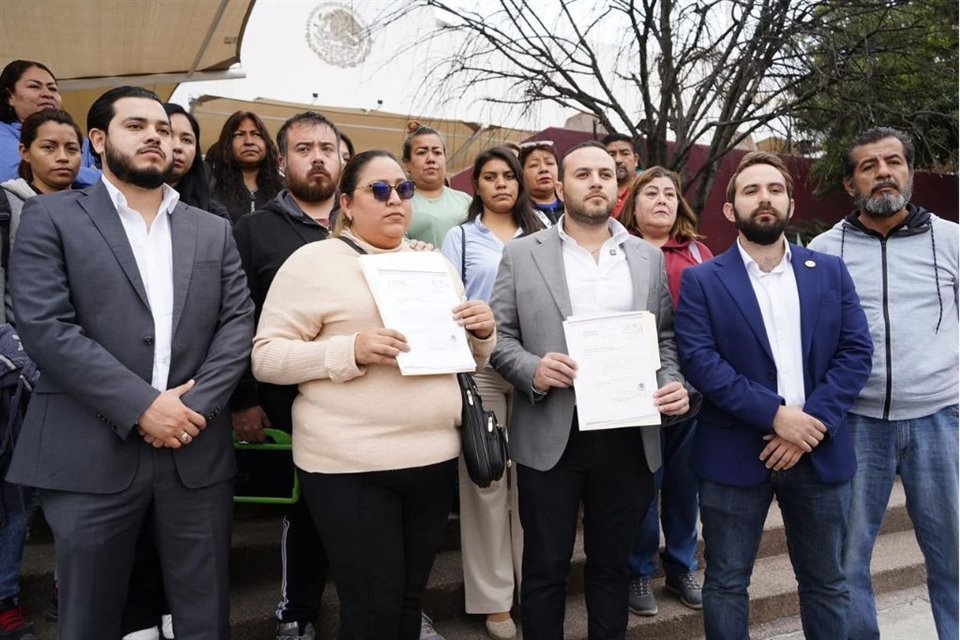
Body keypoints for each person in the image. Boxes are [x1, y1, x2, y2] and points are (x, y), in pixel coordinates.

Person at [5, 86, 255, 639]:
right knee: (88, 617)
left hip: (195, 449)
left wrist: (191, 410)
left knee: (203, 616)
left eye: (163, 129)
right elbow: (46, 328)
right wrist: (143, 407)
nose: (154, 137)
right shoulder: (50, 217)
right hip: (88, 451)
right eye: (136, 125)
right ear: (98, 140)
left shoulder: (210, 228)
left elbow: (239, 324)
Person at [251, 149, 495, 640]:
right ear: (347, 202)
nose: (395, 200)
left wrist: (483, 333)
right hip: (351, 464)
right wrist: (351, 350)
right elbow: (266, 358)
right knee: (370, 607)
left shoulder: (433, 265)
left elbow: (465, 357)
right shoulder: (313, 261)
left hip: (432, 458)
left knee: (407, 601)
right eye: (379, 190)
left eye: (403, 189)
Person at [489, 140, 690, 639]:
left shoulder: (645, 257)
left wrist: (672, 383)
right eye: (583, 174)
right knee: (545, 568)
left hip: (627, 434)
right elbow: (498, 337)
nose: (596, 181)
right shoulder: (521, 254)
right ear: (560, 187)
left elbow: (664, 338)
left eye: (606, 173)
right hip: (551, 433)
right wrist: (532, 369)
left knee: (611, 568)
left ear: (619, 188)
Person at [675, 151, 874, 639]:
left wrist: (808, 425)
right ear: (730, 210)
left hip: (818, 449)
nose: (764, 198)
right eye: (751, 190)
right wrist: (776, 415)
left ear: (788, 203)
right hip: (732, 455)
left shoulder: (829, 270)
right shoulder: (703, 280)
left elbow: (856, 352)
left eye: (774, 190)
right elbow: (702, 363)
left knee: (828, 582)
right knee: (725, 583)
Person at [808, 127, 959, 640]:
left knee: (954, 556)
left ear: (910, 171)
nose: (883, 173)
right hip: (856, 422)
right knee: (848, 558)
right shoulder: (825, 250)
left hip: (941, 418)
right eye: (868, 166)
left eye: (893, 161)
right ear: (851, 183)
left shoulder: (953, 239)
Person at [232, 111, 344, 640]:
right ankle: (296, 613)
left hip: (362, 398)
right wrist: (243, 397)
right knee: (307, 511)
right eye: (304, 148)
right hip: (285, 397)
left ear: (344, 158)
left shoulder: (370, 220)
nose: (317, 156)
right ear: (282, 161)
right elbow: (234, 317)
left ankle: (394, 607)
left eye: (328, 147)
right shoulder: (254, 231)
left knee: (368, 513)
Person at [441, 147, 545, 640]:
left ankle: (534, 586)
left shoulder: (544, 233)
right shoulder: (460, 237)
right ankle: (493, 599)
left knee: (533, 481)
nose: (501, 184)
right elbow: (447, 301)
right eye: (490, 177)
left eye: (509, 176)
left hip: (533, 367)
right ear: (476, 186)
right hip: (480, 367)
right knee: (485, 482)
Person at [0, 107, 83, 640]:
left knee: (77, 492)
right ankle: (5, 599)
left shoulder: (96, 210)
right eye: (49, 147)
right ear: (24, 151)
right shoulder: (5, 206)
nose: (62, 157)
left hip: (81, 376)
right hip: (17, 375)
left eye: (71, 148)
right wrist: (28, 362)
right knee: (14, 495)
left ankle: (68, 588)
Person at [618, 166, 713, 615]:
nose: (662, 200)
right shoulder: (619, 252)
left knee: (683, 487)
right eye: (651, 192)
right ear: (632, 204)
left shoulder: (698, 252)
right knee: (640, 487)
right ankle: (637, 573)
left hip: (693, 392)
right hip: (635, 391)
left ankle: (680, 566)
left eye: (670, 194)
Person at [0, 59, 100, 186]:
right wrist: (90, 175)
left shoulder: (81, 139)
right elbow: (18, 174)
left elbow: (115, 180)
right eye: (34, 86)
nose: (48, 94)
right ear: (10, 96)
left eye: (52, 89)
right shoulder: (3, 131)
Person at [209, 110, 284, 224]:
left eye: (256, 134)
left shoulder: (284, 190)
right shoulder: (211, 186)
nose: (249, 141)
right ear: (227, 143)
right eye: (239, 134)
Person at [402, 123, 471, 246]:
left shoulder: (465, 201)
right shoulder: (399, 201)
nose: (431, 159)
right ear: (407, 163)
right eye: (422, 152)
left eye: (437, 152)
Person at [519, 140, 562, 225]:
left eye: (549, 163)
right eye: (534, 165)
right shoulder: (517, 214)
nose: (543, 169)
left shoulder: (573, 208)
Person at [601, 133, 640, 219]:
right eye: (611, 154)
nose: (618, 160)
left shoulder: (646, 189)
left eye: (625, 153)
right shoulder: (595, 189)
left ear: (636, 160)